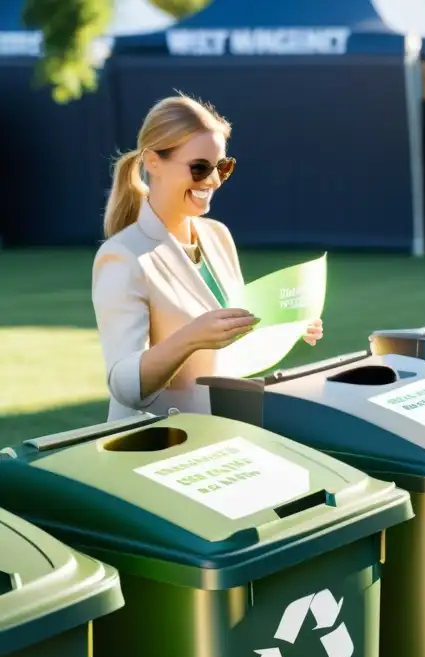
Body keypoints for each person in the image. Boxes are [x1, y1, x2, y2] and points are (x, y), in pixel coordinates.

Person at [92, 94, 324, 421]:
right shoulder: (121, 256)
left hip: (224, 434)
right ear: (153, 162)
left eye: (222, 167)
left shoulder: (218, 236)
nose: (213, 181)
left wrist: (284, 326)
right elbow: (125, 385)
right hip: (157, 446)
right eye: (200, 168)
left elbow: (229, 345)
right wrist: (190, 338)